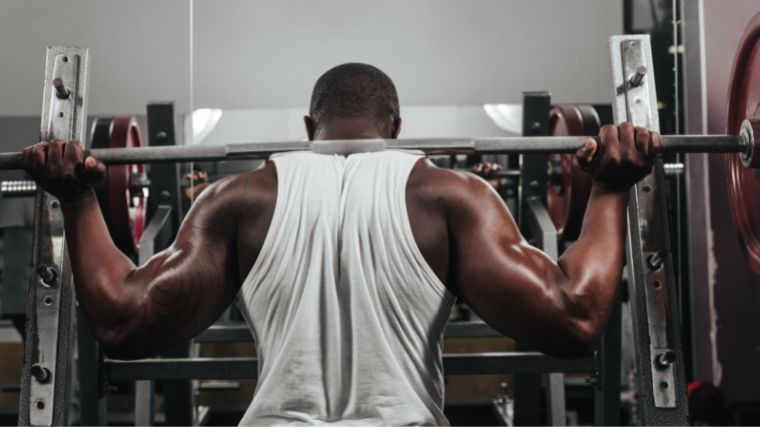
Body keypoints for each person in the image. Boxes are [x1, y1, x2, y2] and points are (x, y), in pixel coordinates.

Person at [21, 63, 660, 425]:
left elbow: (122, 321)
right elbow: (574, 318)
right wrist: (609, 189)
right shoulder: (450, 198)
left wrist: (76, 199)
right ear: (398, 127)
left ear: (308, 128)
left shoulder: (239, 201)